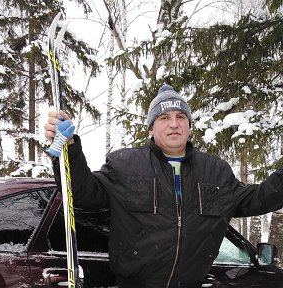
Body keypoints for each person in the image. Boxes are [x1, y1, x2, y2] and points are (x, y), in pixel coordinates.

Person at [44, 84, 283, 288]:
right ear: (151, 127)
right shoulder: (125, 164)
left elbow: (260, 198)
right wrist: (70, 148)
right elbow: (83, 194)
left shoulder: (216, 172)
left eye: (181, 117)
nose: (174, 124)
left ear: (189, 126)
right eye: (164, 118)